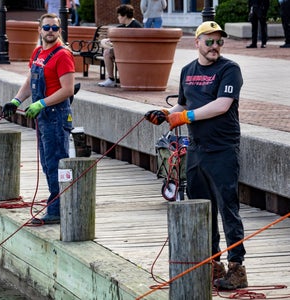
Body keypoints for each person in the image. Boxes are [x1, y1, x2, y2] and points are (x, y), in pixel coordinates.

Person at [144, 21, 248, 290]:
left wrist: (185, 116)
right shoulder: (187, 71)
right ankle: (212, 262)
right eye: (209, 41)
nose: (215, 47)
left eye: (219, 42)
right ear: (197, 43)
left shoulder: (229, 70)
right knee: (202, 207)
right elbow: (182, 103)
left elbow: (222, 106)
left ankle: (237, 267)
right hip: (197, 148)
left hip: (222, 149)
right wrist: (165, 115)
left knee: (228, 207)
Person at [1, 13, 75, 225]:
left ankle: (57, 210)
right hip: (43, 116)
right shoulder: (38, 52)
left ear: (59, 31)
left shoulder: (63, 55)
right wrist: (16, 101)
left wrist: (42, 103)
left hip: (57, 115)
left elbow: (68, 90)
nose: (50, 31)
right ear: (39, 30)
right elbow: (30, 81)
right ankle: (55, 203)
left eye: (54, 28)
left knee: (55, 162)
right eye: (46, 28)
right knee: (46, 162)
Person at [98, 4, 143, 87]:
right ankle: (111, 79)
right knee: (107, 52)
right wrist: (106, 42)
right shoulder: (121, 27)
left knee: (107, 52)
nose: (118, 17)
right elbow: (112, 40)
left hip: (134, 54)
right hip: (123, 52)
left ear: (125, 16)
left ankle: (112, 79)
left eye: (119, 15)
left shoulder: (137, 26)